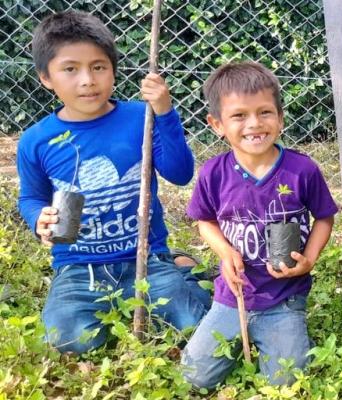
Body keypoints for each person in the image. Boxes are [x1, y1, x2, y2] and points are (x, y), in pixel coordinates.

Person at [16, 10, 210, 354]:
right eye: (70, 69)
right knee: (68, 340)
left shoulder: (141, 116)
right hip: (78, 268)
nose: (88, 80)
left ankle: (179, 270)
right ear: (46, 77)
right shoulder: (37, 140)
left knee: (195, 324)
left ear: (113, 70)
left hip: (146, 257)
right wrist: (39, 220)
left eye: (99, 67)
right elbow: (31, 197)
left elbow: (180, 173)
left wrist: (164, 112)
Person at [180, 61, 337, 388]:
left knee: (285, 383)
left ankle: (274, 334)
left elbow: (324, 217)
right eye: (239, 116)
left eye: (265, 112)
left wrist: (309, 259)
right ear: (217, 124)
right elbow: (204, 220)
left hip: (284, 296)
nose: (254, 124)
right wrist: (224, 252)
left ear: (280, 118)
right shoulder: (214, 172)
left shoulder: (301, 170)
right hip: (232, 294)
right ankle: (203, 293)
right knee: (194, 377)